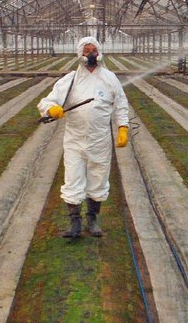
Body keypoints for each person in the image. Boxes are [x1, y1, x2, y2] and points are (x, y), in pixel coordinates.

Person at [38, 36, 129, 238]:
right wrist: (51, 109)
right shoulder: (69, 80)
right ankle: (75, 223)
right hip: (75, 140)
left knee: (98, 177)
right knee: (73, 178)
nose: (90, 54)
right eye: (86, 51)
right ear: (80, 54)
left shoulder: (109, 78)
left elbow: (121, 104)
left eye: (93, 50)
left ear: (99, 52)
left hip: (100, 139)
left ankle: (93, 219)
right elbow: (46, 101)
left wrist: (122, 127)